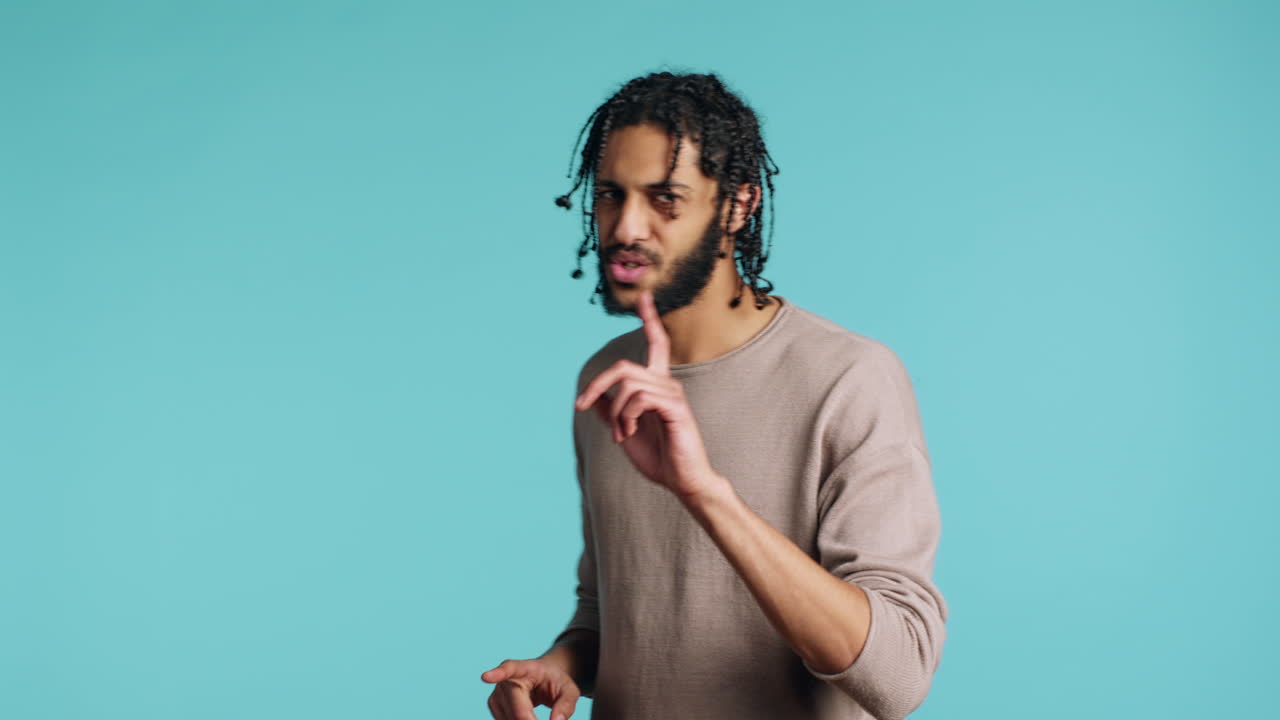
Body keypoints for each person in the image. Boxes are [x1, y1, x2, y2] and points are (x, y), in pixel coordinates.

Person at [480, 71, 947, 720]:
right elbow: (611, 609)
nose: (626, 226)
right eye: (611, 194)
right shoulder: (608, 378)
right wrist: (562, 664)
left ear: (737, 205)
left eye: (665, 198)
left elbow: (898, 675)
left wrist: (705, 493)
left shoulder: (851, 378)